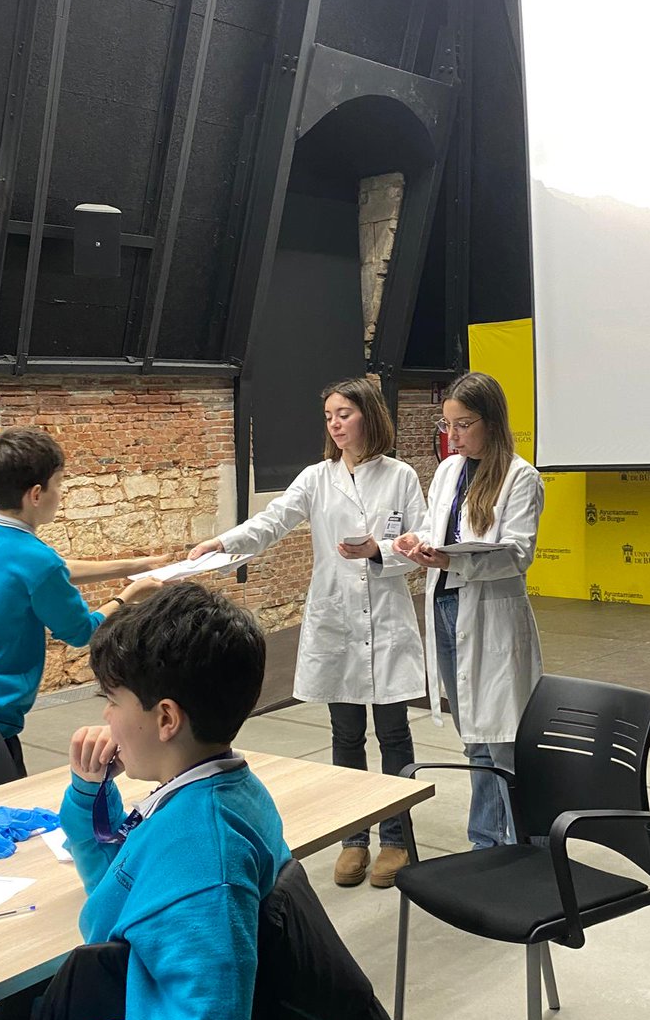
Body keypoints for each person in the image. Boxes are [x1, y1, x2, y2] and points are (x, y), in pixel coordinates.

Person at [189, 377, 426, 889]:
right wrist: (223, 543)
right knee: (345, 735)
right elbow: (274, 521)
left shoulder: (401, 476)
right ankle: (354, 838)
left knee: (393, 734)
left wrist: (379, 552)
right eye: (329, 417)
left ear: (369, 415)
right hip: (337, 618)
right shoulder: (317, 478)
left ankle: (398, 838)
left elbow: (418, 541)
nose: (336, 424)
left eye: (345, 414)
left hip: (385, 618)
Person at [58, 583, 290, 1020]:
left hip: (116, 1013)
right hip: (119, 990)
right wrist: (89, 793)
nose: (106, 718)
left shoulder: (204, 858)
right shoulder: (218, 792)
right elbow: (125, 887)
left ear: (166, 719)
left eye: (112, 700)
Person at [392, 372, 544, 849]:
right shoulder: (447, 471)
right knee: (473, 735)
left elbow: (518, 553)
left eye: (464, 425)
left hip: (491, 615)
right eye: (448, 425)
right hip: (446, 607)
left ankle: (522, 845)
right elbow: (435, 526)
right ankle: (487, 840)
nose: (452, 436)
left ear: (492, 422)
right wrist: (416, 541)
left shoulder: (521, 477)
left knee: (502, 738)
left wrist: (453, 557)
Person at [0, 428, 163, 776]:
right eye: (59, 484)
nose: (61, 494)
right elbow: (83, 632)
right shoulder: (36, 561)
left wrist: (134, 565)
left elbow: (53, 569)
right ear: (37, 494)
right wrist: (129, 594)